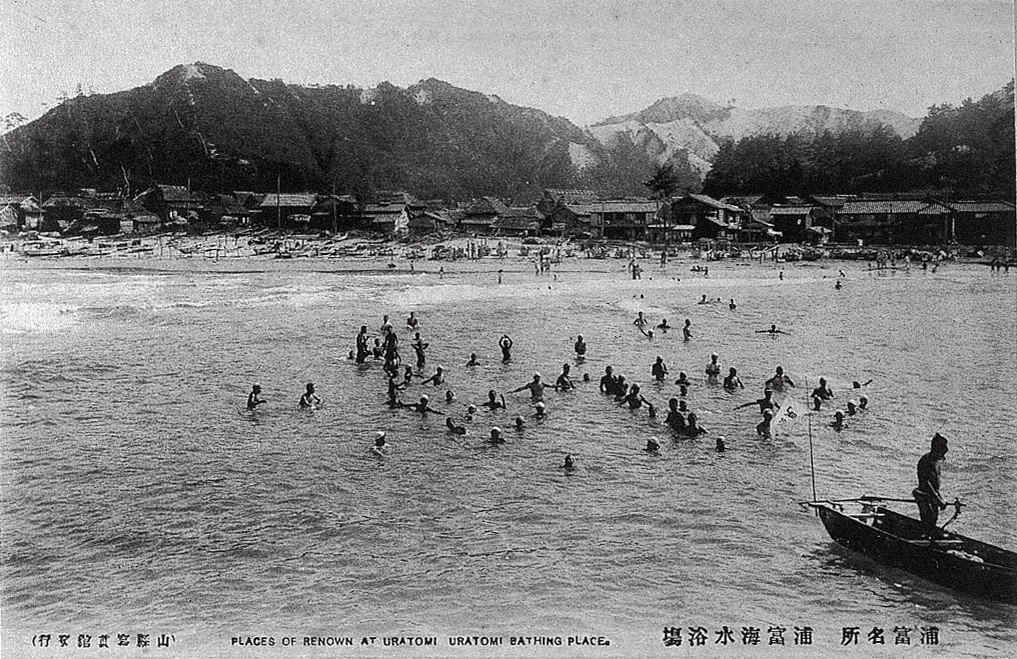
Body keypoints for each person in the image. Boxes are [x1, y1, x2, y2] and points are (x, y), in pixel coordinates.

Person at [914, 434, 950, 537]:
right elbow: (927, 483)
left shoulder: (936, 463)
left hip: (932, 496)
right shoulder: (926, 461)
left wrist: (940, 498)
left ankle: (929, 538)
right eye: (943, 448)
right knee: (927, 522)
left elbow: (934, 486)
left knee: (933, 520)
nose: (946, 450)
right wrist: (938, 499)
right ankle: (925, 539)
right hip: (923, 496)